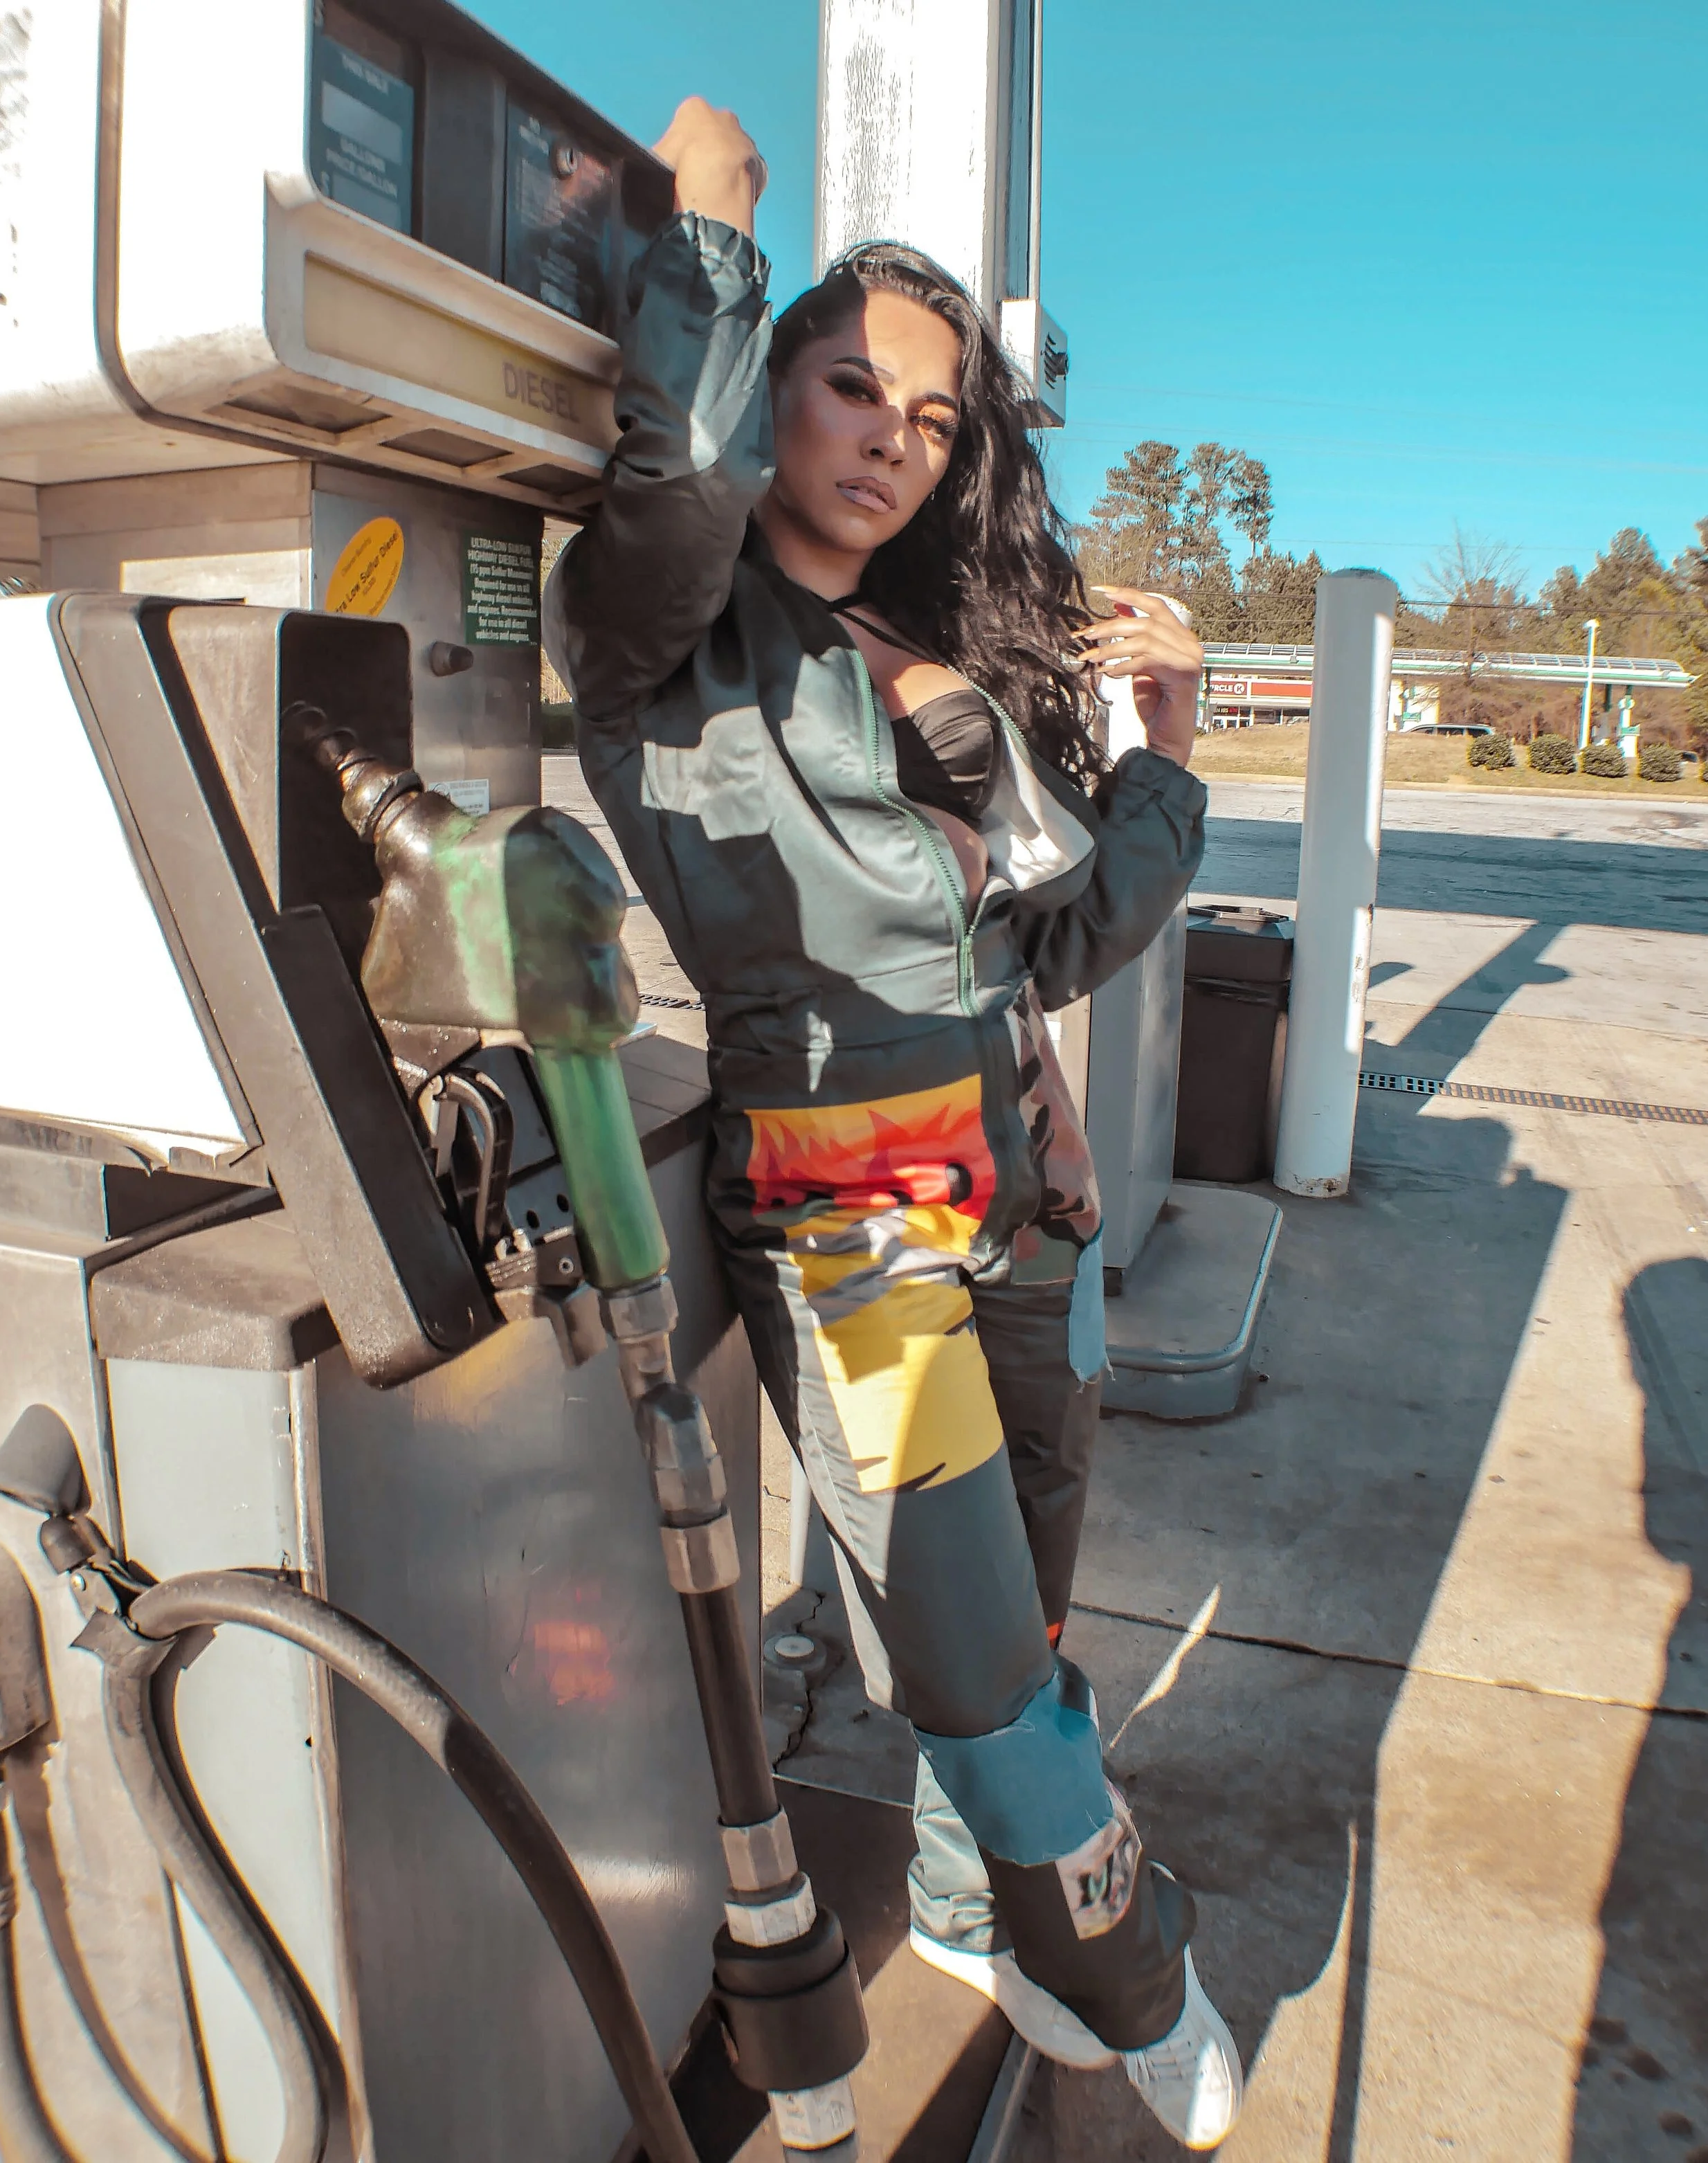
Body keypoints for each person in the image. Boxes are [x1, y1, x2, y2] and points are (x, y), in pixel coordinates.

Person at [543, 96, 1242, 2151]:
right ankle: (1133, 1959)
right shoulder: (667, 629)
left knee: (1017, 1622)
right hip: (850, 1225)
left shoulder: (926, 654)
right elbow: (667, 479)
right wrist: (717, 243)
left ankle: (973, 1907)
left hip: (1027, 1212)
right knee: (970, 1667)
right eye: (851, 386)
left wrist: (1163, 764)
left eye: (931, 420)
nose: (887, 436)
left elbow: (1053, 938)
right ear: (778, 386)